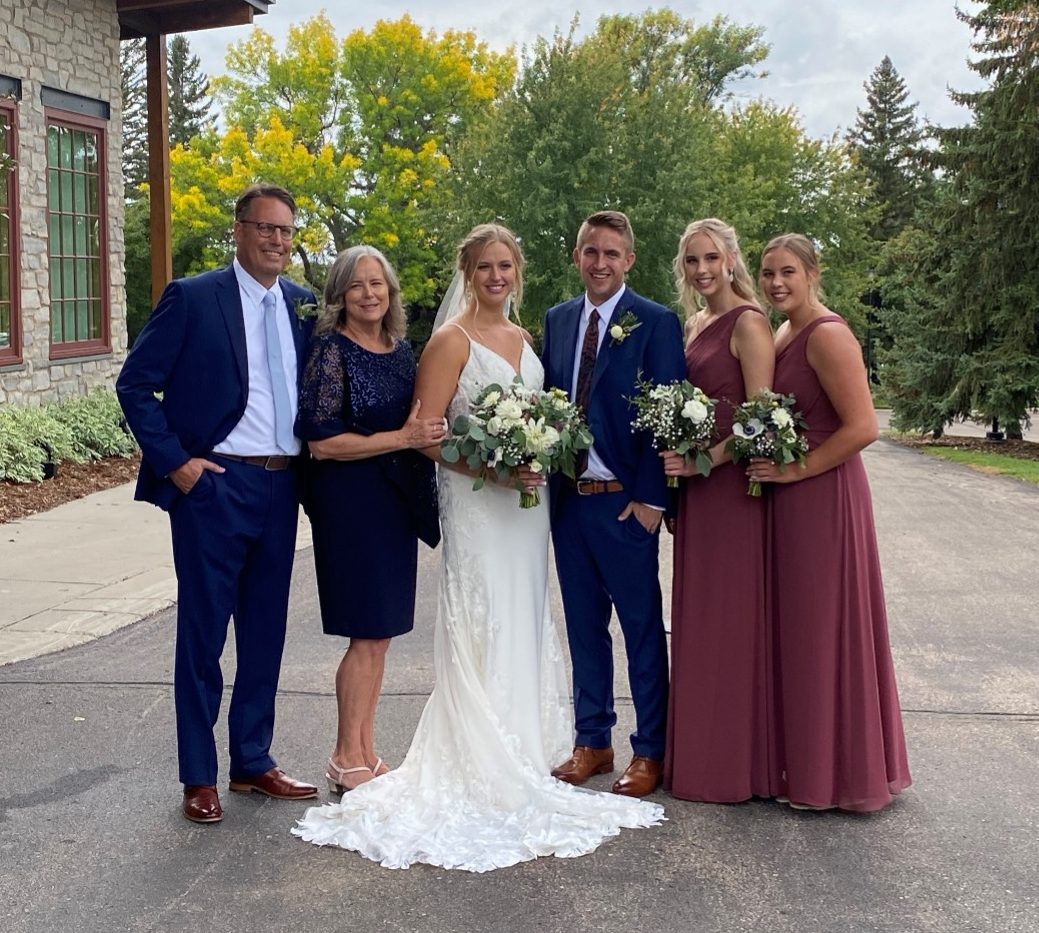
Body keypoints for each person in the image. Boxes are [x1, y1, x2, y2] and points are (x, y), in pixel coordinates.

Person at [293, 224, 663, 871]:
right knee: (483, 617)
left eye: (505, 265)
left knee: (522, 614)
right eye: (485, 266)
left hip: (527, 506)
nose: (496, 276)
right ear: (467, 270)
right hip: (479, 504)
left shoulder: (524, 337)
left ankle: (519, 746)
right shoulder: (447, 341)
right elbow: (427, 435)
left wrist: (537, 450)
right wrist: (492, 466)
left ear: (516, 271)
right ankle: (478, 754)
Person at [116, 184, 320, 823]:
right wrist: (177, 465)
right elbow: (135, 385)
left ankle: (253, 760)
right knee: (203, 634)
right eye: (265, 228)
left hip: (283, 485)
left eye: (287, 232)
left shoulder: (304, 306)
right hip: (215, 486)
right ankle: (198, 776)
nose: (276, 242)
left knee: (266, 631)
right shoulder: (194, 298)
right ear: (239, 230)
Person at [749, 233, 912, 811]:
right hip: (791, 499)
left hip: (824, 496)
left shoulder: (828, 334)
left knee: (823, 629)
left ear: (814, 272)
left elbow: (864, 426)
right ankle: (805, 765)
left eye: (788, 272)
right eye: (768, 274)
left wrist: (796, 473)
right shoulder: (785, 331)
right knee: (799, 629)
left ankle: (835, 776)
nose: (776, 284)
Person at [542, 211, 686, 797]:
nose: (599, 263)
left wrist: (653, 499)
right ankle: (592, 740)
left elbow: (669, 411)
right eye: (590, 252)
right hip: (570, 504)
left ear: (629, 260)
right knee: (583, 627)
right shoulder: (556, 321)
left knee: (641, 629)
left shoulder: (655, 322)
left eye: (611, 254)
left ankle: (650, 749)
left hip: (626, 504)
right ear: (577, 256)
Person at [295, 245, 443, 796]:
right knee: (364, 635)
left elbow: (417, 422)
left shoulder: (401, 351)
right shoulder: (330, 351)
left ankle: (365, 750)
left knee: (381, 636)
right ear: (339, 295)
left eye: (378, 284)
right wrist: (402, 439)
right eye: (357, 285)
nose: (369, 294)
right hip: (350, 505)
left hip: (395, 503)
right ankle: (341, 756)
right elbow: (323, 442)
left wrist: (429, 437)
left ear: (391, 292)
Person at [660, 218, 777, 803]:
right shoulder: (694, 323)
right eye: (692, 261)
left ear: (732, 258)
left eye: (711, 258)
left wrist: (704, 461)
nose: (702, 270)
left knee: (728, 622)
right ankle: (701, 757)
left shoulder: (750, 323)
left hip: (731, 493)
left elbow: (762, 420)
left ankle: (734, 766)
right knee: (699, 621)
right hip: (697, 491)